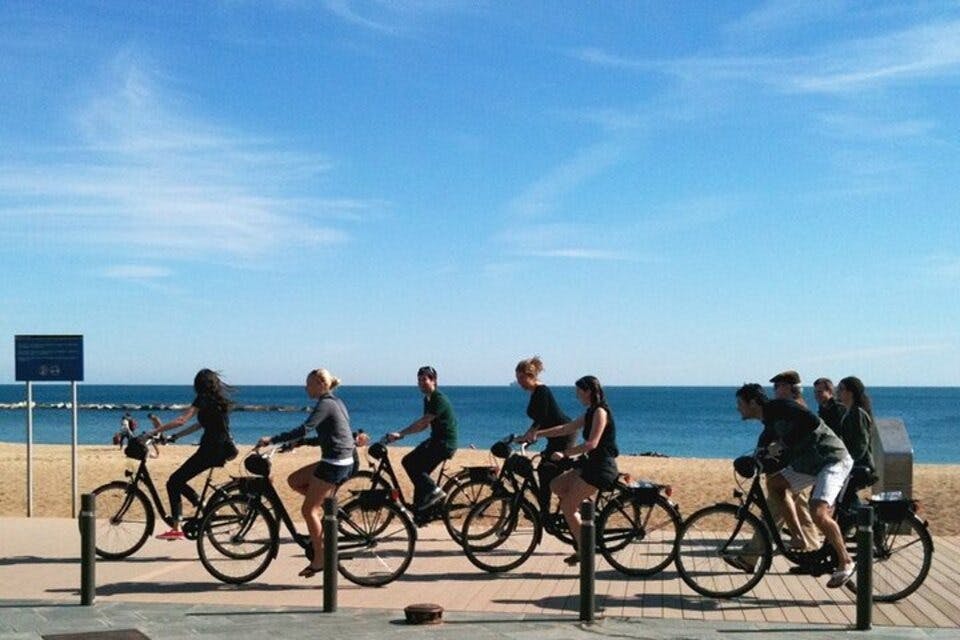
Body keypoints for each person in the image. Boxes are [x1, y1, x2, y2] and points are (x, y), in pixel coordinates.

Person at [734, 383, 855, 588]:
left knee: (818, 512)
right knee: (775, 484)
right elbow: (763, 447)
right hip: (809, 465)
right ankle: (798, 537)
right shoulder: (768, 423)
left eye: (740, 403)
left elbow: (810, 420)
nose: (738, 408)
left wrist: (783, 443)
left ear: (753, 402)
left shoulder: (782, 406)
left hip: (831, 458)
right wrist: (754, 461)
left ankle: (846, 561)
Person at [256, 368, 356, 578]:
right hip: (340, 459)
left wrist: (273, 439)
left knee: (307, 510)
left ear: (321, 383)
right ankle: (321, 511)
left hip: (335, 462)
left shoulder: (326, 404)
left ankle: (320, 559)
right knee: (294, 480)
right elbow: (330, 434)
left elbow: (305, 428)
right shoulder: (336, 402)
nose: (305, 387)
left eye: (309, 383)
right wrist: (298, 444)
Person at [524, 375, 619, 565]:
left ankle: (585, 548)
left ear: (588, 391)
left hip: (601, 468)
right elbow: (566, 428)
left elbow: (591, 444)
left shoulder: (600, 412)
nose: (577, 396)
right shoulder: (590, 411)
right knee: (556, 485)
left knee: (567, 506)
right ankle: (583, 516)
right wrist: (536, 434)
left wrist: (565, 454)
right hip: (589, 464)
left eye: (579, 392)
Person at [147, 369, 236, 541]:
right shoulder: (217, 401)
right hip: (221, 448)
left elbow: (182, 420)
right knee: (178, 480)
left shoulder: (202, 399)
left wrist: (154, 431)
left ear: (199, 384)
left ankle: (177, 527)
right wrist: (176, 437)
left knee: (174, 482)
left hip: (210, 449)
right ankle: (204, 507)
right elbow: (201, 425)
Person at [387, 366, 459, 510]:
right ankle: (421, 511)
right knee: (419, 474)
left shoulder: (438, 399)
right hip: (437, 440)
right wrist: (402, 435)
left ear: (434, 381)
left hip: (445, 443)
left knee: (409, 462)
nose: (421, 383)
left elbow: (423, 422)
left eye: (424, 379)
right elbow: (424, 426)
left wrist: (401, 434)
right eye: (419, 380)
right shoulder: (428, 399)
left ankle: (435, 491)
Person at [516, 356, 575, 513]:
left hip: (564, 435)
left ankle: (547, 512)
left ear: (530, 376)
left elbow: (541, 416)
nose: (519, 382)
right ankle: (546, 510)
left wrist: (529, 434)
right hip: (554, 436)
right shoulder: (536, 392)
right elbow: (540, 420)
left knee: (546, 471)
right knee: (546, 471)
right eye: (517, 378)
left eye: (521, 378)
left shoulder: (541, 390)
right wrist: (528, 435)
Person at [835, 376, 877, 491]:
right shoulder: (848, 412)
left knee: (843, 497)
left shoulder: (857, 413)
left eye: (841, 389)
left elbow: (861, 443)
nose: (837, 392)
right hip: (853, 463)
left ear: (851, 392)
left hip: (860, 465)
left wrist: (849, 461)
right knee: (845, 498)